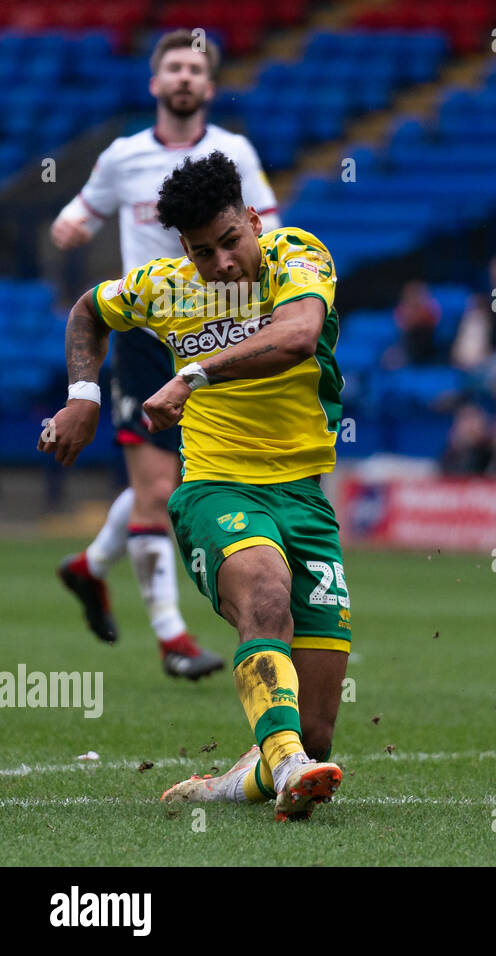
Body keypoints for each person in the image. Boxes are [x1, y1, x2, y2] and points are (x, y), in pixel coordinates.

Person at [39, 151, 347, 821]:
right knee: (266, 594)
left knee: (316, 730)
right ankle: (288, 763)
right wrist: (84, 396)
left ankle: (239, 780)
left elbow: (298, 336)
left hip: (305, 498)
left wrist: (192, 374)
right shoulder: (166, 284)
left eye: (232, 240)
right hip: (217, 489)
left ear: (255, 221)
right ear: (184, 248)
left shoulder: (297, 254)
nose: (224, 263)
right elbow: (89, 310)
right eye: (204, 252)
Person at [50, 29, 279, 680]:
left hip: (220, 336)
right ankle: (173, 640)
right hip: (148, 338)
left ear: (209, 86)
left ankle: (90, 566)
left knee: (173, 483)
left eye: (195, 68)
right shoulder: (123, 157)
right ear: (155, 83)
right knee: (155, 489)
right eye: (172, 67)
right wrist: (70, 225)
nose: (183, 77)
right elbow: (78, 216)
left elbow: (270, 221)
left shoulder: (232, 151)